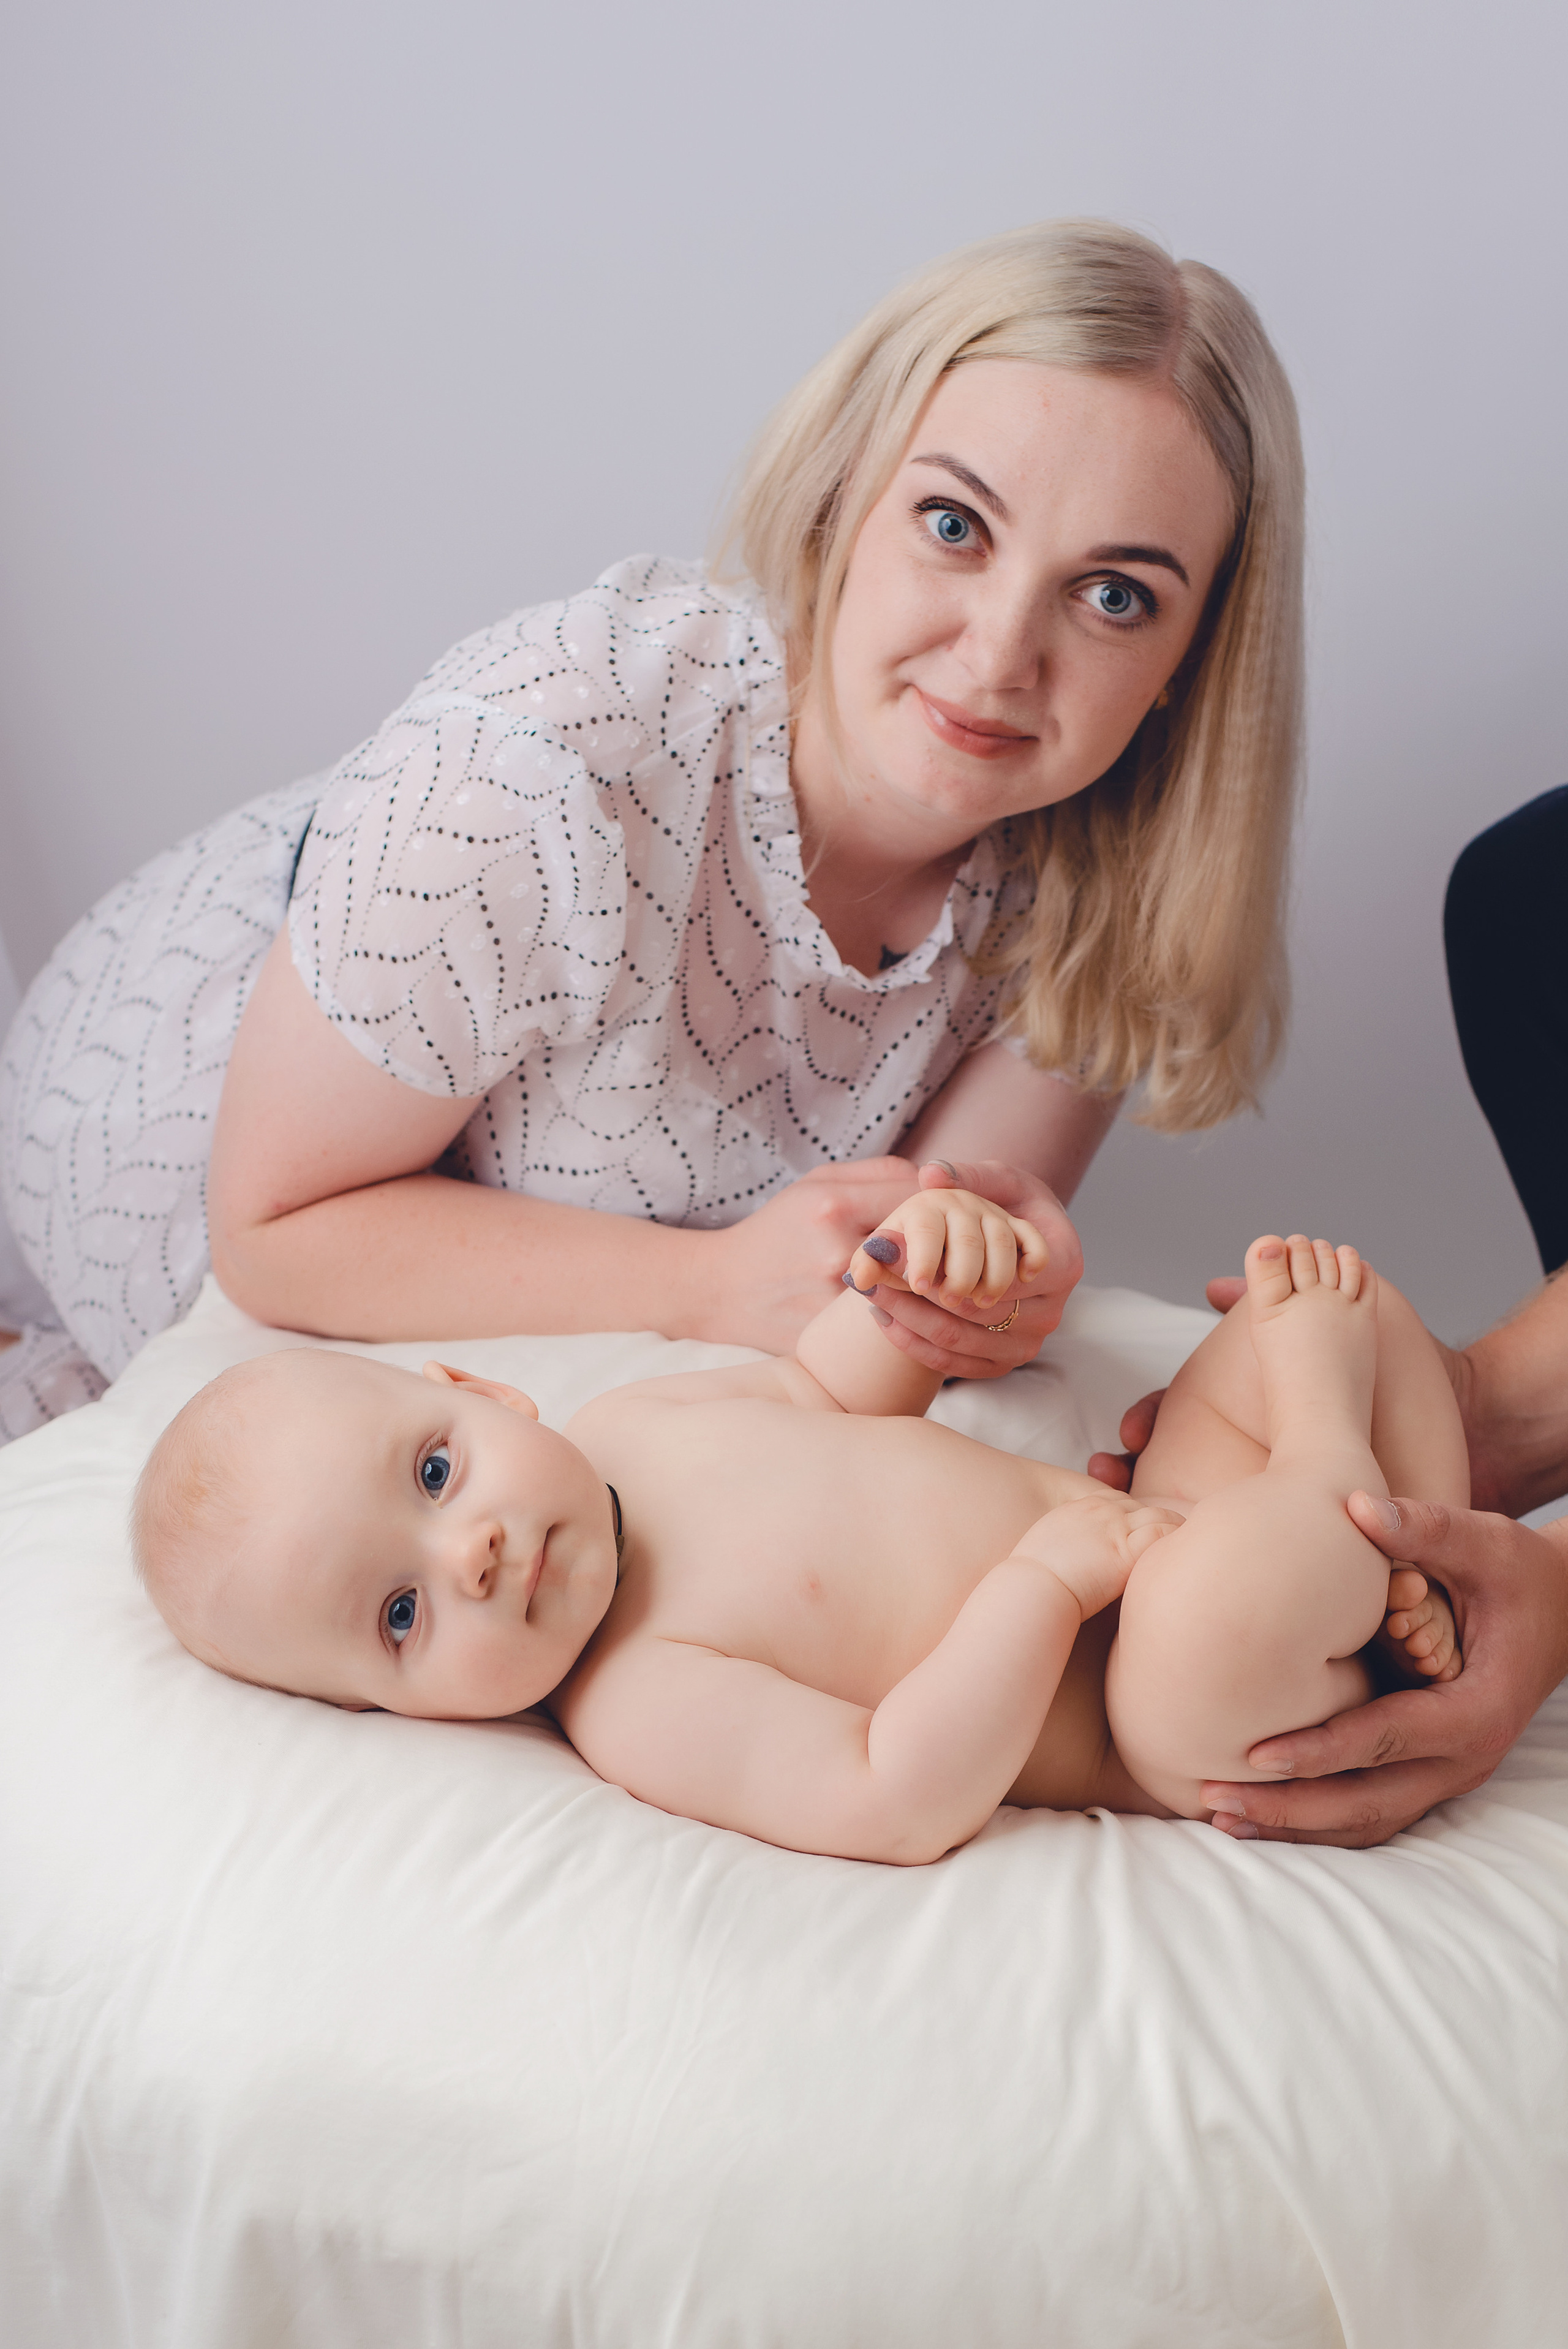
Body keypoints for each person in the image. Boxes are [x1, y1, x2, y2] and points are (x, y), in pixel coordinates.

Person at [0, 218, 1303, 1423]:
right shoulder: (542, 760)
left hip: (584, 1291)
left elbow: (888, 1311)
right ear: (843, 500)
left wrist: (975, 1288)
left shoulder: (1108, 876)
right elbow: (276, 1227)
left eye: (1115, 598)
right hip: (194, 1167)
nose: (999, 654)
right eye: (953, 525)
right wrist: (709, 1288)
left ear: (1191, 654)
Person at [133, 1181, 1461, 1861]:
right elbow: (888, 1794)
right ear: (391, 1714)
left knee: (1313, 1320)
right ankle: (1336, 1464)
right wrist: (1041, 1591)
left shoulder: (640, 1424)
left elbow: (828, 1383)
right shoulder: (636, 1697)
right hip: (1168, 1707)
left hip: (1182, 1524)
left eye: (431, 1476)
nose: (466, 1550)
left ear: (481, 1394)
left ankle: (1384, 1546)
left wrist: (921, 1265)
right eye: (402, 1613)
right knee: (1203, 1616)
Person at [1085, 788, 1568, 1846]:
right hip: (1172, 1638)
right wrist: (1475, 1415)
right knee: (1533, 881)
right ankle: (1401, 1479)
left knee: (1297, 1342)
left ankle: (1353, 1477)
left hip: (1155, 1636)